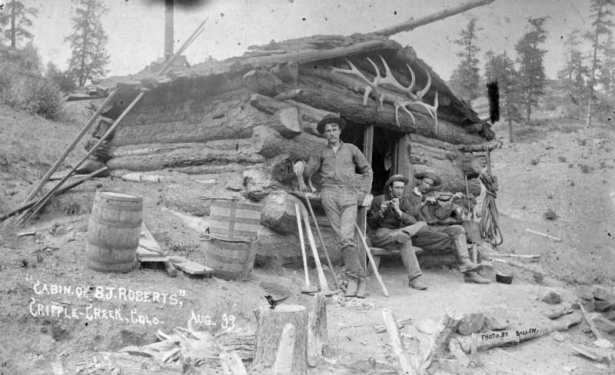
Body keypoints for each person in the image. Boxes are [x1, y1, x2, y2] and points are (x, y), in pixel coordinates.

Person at [293, 115, 373, 298]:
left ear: (340, 131)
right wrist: (300, 162)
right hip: (328, 195)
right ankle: (360, 280)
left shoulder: (352, 149)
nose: (331, 133)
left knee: (346, 237)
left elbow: (368, 171)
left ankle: (354, 279)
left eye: (334, 129)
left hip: (349, 194)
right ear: (324, 134)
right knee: (344, 240)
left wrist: (362, 194)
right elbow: (308, 171)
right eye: (327, 130)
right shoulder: (320, 152)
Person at [406, 171, 490, 284]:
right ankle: (470, 273)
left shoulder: (430, 196)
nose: (428, 186)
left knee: (458, 229)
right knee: (454, 240)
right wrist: (423, 203)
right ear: (419, 181)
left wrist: (451, 201)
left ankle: (466, 265)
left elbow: (441, 216)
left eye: (430, 185)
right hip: (418, 234)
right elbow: (408, 215)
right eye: (426, 183)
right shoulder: (408, 196)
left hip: (433, 231)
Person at [367, 174, 429, 290]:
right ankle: (415, 279)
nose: (400, 191)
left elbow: (413, 222)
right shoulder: (379, 199)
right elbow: (371, 224)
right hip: (382, 235)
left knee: (422, 225)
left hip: (399, 232)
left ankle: (403, 234)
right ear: (390, 188)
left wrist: (399, 211)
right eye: (397, 188)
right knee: (405, 240)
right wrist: (380, 212)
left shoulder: (404, 202)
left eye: (402, 188)